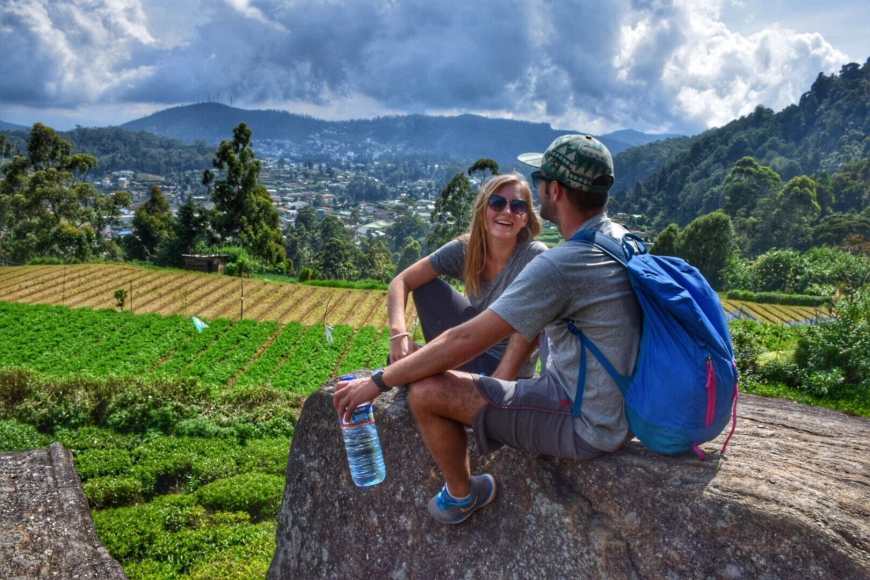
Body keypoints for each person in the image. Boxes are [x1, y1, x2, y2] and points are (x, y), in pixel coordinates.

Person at [334, 135, 641, 525]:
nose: (511, 209)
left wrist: (379, 381)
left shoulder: (558, 264)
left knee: (426, 392)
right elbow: (416, 290)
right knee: (431, 373)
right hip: (611, 405)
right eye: (498, 203)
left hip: (584, 420)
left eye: (536, 184)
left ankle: (464, 496)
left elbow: (465, 339)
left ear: (554, 190)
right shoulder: (619, 240)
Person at [387, 172, 546, 379]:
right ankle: (431, 363)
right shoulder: (467, 248)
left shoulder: (533, 256)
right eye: (497, 203)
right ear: (483, 210)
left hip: (507, 366)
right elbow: (402, 280)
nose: (507, 212)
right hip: (468, 349)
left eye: (517, 207)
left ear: (525, 218)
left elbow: (532, 323)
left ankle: (429, 364)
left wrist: (501, 380)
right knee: (426, 288)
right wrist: (398, 333)